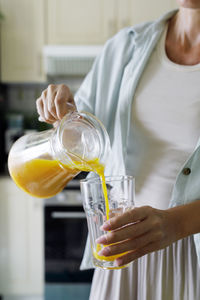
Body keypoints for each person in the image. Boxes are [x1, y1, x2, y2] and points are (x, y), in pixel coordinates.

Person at [36, 1, 200, 299]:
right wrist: (65, 114)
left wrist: (175, 224)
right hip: (122, 252)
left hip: (192, 257)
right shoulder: (125, 46)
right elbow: (80, 137)